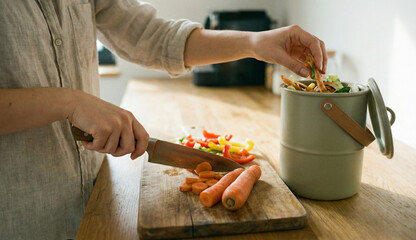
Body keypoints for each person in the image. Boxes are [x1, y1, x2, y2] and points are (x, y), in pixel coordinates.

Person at [0, 0, 327, 239]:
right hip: (22, 217)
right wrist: (67, 101)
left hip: (95, 200)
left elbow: (149, 35)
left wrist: (256, 42)